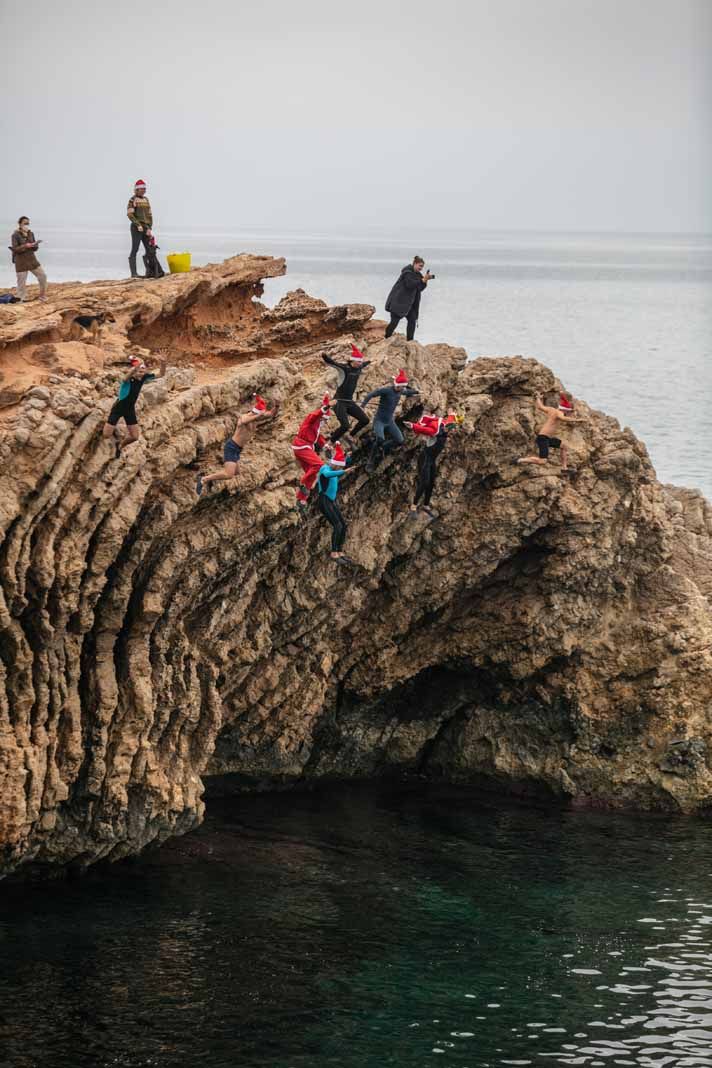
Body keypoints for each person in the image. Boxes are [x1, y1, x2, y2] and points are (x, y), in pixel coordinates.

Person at [196, 394, 280, 496]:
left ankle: (223, 464)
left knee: (237, 473)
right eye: (259, 416)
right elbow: (245, 420)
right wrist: (259, 415)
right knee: (229, 474)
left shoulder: (255, 419)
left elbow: (271, 414)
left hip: (238, 449)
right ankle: (204, 479)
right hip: (231, 447)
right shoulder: (244, 417)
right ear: (254, 413)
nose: (261, 418)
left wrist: (276, 406)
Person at [102, 354, 166, 456]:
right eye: (139, 371)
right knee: (106, 435)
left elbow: (161, 374)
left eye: (143, 371)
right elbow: (124, 378)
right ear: (135, 371)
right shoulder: (128, 380)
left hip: (129, 410)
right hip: (118, 408)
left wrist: (163, 363)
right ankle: (108, 424)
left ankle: (120, 445)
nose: (141, 373)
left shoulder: (144, 378)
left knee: (135, 436)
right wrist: (134, 368)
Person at [404, 408, 461, 517]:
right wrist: (411, 425)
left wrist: (451, 413)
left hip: (432, 460)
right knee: (424, 482)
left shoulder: (446, 425)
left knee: (431, 482)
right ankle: (413, 506)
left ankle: (426, 505)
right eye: (448, 430)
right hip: (425, 458)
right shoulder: (434, 431)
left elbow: (451, 418)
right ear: (444, 428)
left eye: (450, 431)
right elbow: (422, 430)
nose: (449, 432)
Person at [362, 369, 420, 471]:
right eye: (398, 386)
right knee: (379, 439)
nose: (400, 388)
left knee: (400, 441)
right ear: (395, 384)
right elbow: (371, 394)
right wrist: (363, 405)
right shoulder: (386, 390)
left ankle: (382, 447)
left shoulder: (401, 391)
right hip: (379, 420)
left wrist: (417, 392)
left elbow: (408, 392)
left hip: (389, 421)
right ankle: (370, 461)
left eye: (402, 387)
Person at [517, 393, 584, 471]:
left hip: (546, 438)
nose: (568, 414)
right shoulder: (560, 413)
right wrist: (577, 420)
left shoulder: (551, 410)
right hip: (543, 439)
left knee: (564, 446)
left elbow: (540, 407)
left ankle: (564, 468)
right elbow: (563, 418)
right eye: (568, 412)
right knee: (542, 461)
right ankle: (520, 460)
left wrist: (538, 398)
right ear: (565, 410)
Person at [316, 443, 359, 564]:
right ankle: (334, 553)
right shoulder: (326, 468)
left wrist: (347, 457)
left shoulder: (336, 467)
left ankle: (340, 551)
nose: (339, 469)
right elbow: (327, 475)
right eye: (338, 467)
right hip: (324, 500)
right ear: (334, 464)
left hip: (331, 501)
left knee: (343, 525)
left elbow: (342, 460)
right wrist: (343, 471)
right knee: (337, 525)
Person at [322, 343, 371, 445]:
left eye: (360, 362)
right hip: (338, 402)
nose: (359, 363)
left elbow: (364, 364)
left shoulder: (359, 367)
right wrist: (325, 356)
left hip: (349, 402)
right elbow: (333, 363)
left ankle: (350, 435)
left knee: (365, 420)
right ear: (352, 360)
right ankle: (330, 442)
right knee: (345, 426)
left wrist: (369, 361)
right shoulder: (344, 368)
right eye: (358, 361)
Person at [292, 394, 333, 515]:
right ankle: (301, 483)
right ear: (322, 417)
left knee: (312, 474)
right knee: (319, 465)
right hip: (301, 446)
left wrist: (325, 446)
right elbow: (314, 415)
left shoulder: (317, 426)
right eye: (325, 420)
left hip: (306, 447)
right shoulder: (312, 420)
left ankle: (301, 500)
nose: (325, 422)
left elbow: (317, 437)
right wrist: (325, 408)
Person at [384, 256, 434, 341]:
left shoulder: (418, 275)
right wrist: (422, 280)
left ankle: (410, 341)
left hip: (410, 304)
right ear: (414, 264)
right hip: (398, 302)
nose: (421, 268)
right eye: (419, 266)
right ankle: (386, 338)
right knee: (394, 323)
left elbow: (420, 288)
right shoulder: (407, 272)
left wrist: (425, 280)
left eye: (422, 266)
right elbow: (409, 284)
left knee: (412, 321)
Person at [10, 217, 48, 302]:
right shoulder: (15, 235)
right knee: (21, 283)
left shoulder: (31, 233)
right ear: (20, 224)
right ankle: (21, 299)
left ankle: (42, 296)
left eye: (28, 223)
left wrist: (35, 245)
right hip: (21, 261)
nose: (26, 225)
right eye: (25, 223)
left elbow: (35, 249)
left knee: (43, 276)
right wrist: (25, 246)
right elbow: (15, 249)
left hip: (32, 260)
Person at [127, 179, 153, 279]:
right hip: (136, 228)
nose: (143, 190)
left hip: (146, 228)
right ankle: (134, 273)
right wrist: (138, 224)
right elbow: (130, 213)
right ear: (136, 190)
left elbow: (150, 215)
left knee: (149, 249)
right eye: (141, 189)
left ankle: (149, 271)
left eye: (144, 189)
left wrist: (149, 227)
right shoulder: (133, 200)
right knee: (135, 249)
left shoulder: (146, 200)